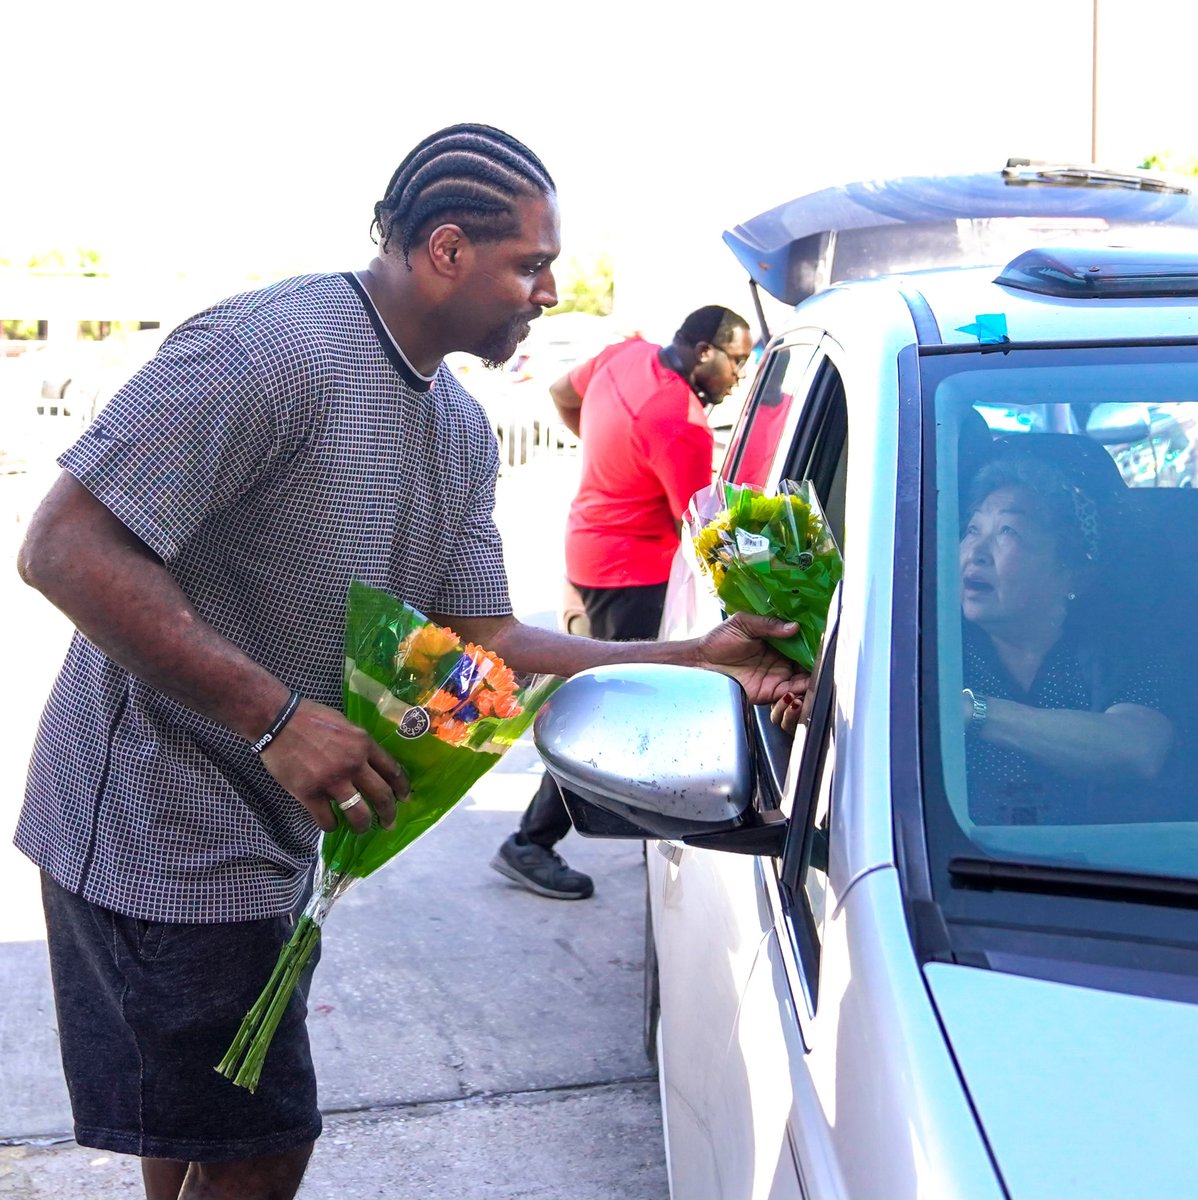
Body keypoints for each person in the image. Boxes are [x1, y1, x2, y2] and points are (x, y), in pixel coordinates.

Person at [13, 123, 807, 1200]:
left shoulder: (459, 430)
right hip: (156, 821)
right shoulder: (268, 350)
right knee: (263, 1144)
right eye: (530, 264)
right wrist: (276, 718)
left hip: (270, 831)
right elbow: (62, 546)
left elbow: (487, 640)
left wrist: (698, 658)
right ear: (444, 250)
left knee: (206, 1121)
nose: (546, 291)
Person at [491, 305, 753, 900]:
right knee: (613, 706)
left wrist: (607, 447)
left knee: (596, 692)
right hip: (633, 573)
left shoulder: (623, 355)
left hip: (586, 552)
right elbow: (703, 526)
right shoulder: (679, 421)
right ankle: (530, 842)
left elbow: (561, 393)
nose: (738, 375)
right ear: (705, 352)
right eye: (736, 360)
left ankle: (610, 823)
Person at [957, 442, 1174, 824]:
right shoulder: (929, 643)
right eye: (973, 529)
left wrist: (972, 712)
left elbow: (1139, 748)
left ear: (1072, 571)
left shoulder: (1118, 649)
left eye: (1008, 531)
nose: (976, 551)